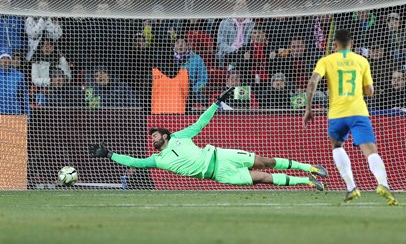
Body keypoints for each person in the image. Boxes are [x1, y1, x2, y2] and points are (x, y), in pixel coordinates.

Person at [89, 88, 327, 191]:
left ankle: (310, 167)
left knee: (265, 162)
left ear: (165, 135)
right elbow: (134, 162)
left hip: (220, 154)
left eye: (155, 135)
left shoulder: (180, 136)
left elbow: (200, 123)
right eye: (150, 137)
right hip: (219, 174)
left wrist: (215, 103)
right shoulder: (156, 159)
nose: (152, 138)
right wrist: (110, 154)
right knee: (263, 178)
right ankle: (306, 181)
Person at [303, 29, 399, 206]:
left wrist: (308, 108)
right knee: (370, 151)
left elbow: (312, 82)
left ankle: (351, 187)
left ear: (335, 45)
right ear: (352, 44)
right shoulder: (362, 60)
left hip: (336, 114)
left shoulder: (326, 60)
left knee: (337, 146)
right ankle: (383, 184)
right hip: (358, 112)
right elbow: (370, 91)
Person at [0, 50, 30, 115]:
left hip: (15, 112)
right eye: (3, 58)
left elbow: (24, 97)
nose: (5, 61)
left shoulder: (19, 75)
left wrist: (27, 115)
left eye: (7, 58)